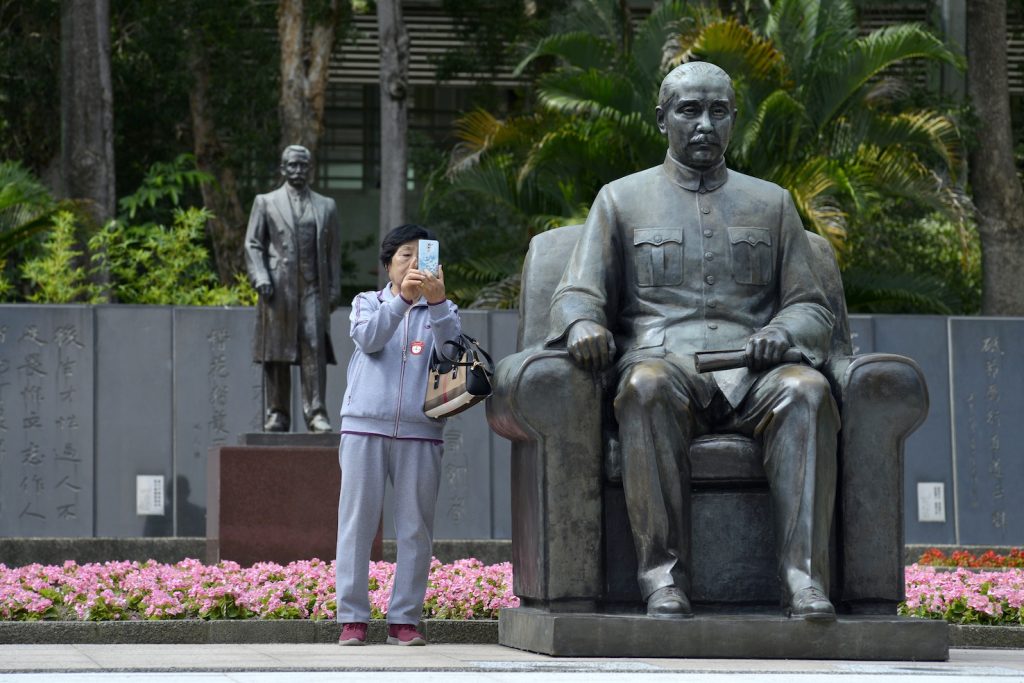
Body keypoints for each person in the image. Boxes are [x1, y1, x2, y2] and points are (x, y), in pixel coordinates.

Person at [547, 62, 840, 621]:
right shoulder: (620, 200)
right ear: (662, 119)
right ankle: (663, 581)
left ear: (734, 120)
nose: (704, 124)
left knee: (807, 391)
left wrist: (782, 332)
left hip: (755, 371)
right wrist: (583, 323)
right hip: (665, 364)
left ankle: (803, 581)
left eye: (718, 111)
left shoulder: (773, 203)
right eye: (689, 110)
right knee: (644, 386)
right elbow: (578, 292)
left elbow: (810, 305)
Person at [334, 224, 461, 646]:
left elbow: (452, 357)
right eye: (403, 255)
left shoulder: (444, 309)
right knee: (357, 525)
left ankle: (404, 620)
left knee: (415, 529)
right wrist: (403, 301)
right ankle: (352, 618)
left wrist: (436, 304)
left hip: (422, 433)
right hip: (363, 426)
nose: (412, 264)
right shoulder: (367, 303)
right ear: (388, 265)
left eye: (420, 256)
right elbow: (368, 340)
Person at [244, 144, 341, 433]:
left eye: (303, 166)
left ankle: (316, 413)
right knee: (278, 353)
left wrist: (334, 288)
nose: (298, 171)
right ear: (283, 168)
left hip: (313, 288)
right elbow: (253, 243)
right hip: (278, 289)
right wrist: (260, 275)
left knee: (314, 346)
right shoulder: (266, 202)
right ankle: (278, 413)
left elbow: (333, 250)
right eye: (292, 165)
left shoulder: (326, 206)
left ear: (310, 168)